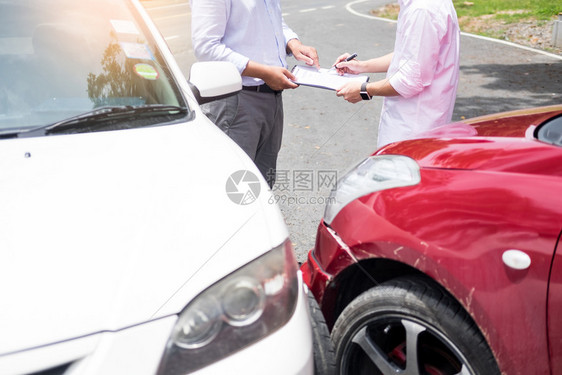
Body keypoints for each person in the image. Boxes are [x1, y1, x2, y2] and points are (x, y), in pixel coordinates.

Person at [190, 0, 319, 187]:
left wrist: (293, 43)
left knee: (262, 186)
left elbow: (273, 23)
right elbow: (206, 47)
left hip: (271, 97)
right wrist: (264, 72)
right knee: (233, 187)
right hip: (236, 100)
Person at [334, 0, 460, 148]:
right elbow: (410, 55)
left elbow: (409, 81)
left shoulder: (421, 10)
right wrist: (362, 66)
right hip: (421, 125)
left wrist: (364, 90)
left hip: (412, 131)